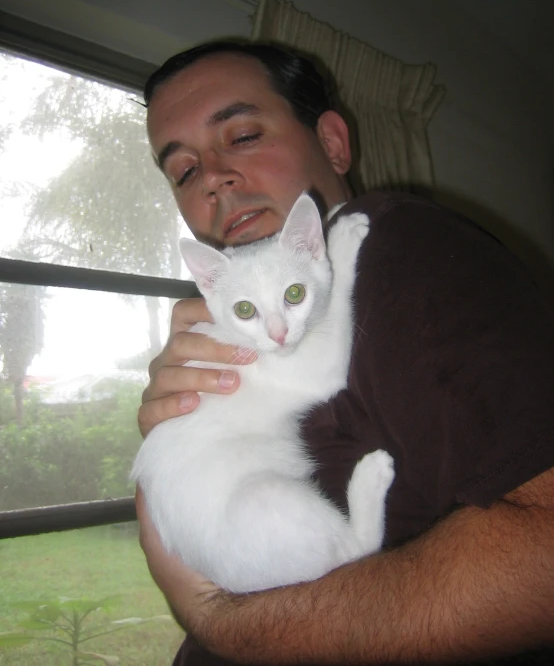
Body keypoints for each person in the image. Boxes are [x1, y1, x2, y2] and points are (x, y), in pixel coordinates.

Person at [136, 41, 554, 665]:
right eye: (185, 171)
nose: (214, 176)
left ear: (332, 142)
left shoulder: (399, 244)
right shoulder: (227, 314)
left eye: (243, 135)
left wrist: (216, 616)